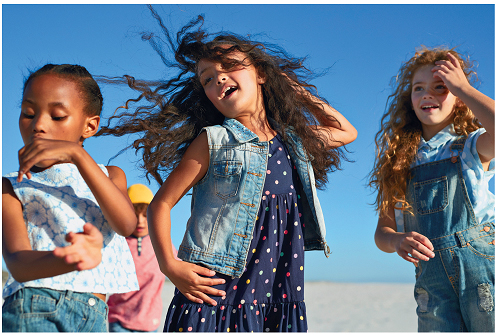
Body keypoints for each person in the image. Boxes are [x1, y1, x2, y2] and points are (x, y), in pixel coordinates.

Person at [97, 7, 357, 332]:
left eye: (230, 66)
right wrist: (170, 266)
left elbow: (345, 131)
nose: (218, 77)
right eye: (207, 78)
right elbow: (160, 205)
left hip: (276, 288)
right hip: (215, 289)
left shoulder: (293, 141)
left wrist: (293, 89)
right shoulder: (213, 141)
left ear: (260, 74)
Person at [2, 64, 139, 332]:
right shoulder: (12, 186)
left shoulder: (111, 175)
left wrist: (77, 155)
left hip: (96, 314)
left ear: (90, 126)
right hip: (34, 308)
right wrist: (68, 258)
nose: (38, 124)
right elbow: (18, 264)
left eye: (57, 116)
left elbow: (126, 225)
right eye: (28, 113)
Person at [369, 47, 495, 332]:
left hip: (483, 275)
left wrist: (462, 87)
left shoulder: (471, 147)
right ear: (409, 100)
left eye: (441, 87)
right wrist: (397, 240)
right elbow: (382, 232)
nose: (428, 94)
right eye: (419, 88)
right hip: (432, 284)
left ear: (459, 101)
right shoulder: (399, 163)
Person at [108, 183, 178, 332]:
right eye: (134, 214)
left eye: (145, 215)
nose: (140, 221)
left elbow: (179, 266)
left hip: (150, 323)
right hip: (119, 320)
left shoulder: (162, 242)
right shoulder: (116, 242)